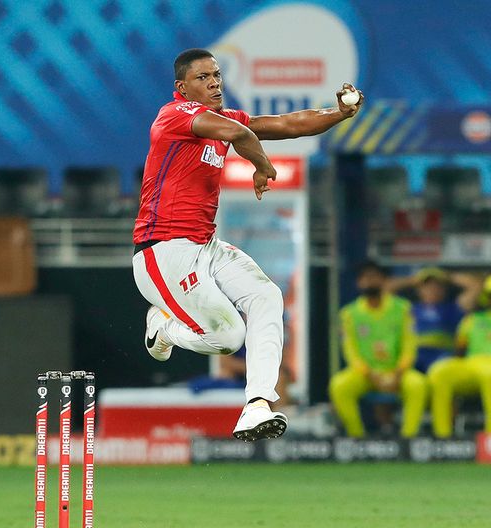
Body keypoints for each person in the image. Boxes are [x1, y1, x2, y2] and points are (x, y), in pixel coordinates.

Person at [133, 48, 363, 441]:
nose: (214, 82)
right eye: (203, 77)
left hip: (206, 246)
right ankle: (164, 329)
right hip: (163, 250)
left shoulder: (222, 119)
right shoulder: (172, 117)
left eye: (217, 75)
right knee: (227, 339)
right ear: (182, 87)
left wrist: (338, 112)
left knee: (267, 297)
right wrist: (262, 166)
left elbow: (287, 124)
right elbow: (241, 134)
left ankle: (257, 403)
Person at [329, 261, 427, 438]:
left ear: (384, 281)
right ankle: (356, 437)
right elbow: (350, 350)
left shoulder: (402, 308)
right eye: (365, 278)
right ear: (359, 283)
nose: (370, 282)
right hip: (365, 374)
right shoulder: (350, 313)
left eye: (374, 277)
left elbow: (409, 343)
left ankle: (408, 438)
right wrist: (368, 373)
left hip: (398, 371)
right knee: (340, 385)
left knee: (418, 384)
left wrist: (399, 371)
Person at [427, 276, 491, 438]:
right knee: (439, 371)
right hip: (471, 365)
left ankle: (489, 437)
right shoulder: (471, 320)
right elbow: (460, 350)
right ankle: (442, 436)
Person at [386, 267, 480, 372]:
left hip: (442, 355)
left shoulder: (455, 307)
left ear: (444, 289)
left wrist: (449, 277)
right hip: (416, 354)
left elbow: (475, 287)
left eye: (437, 286)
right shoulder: (409, 308)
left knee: (442, 369)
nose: (432, 289)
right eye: (427, 286)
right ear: (419, 290)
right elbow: (386, 289)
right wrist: (412, 280)